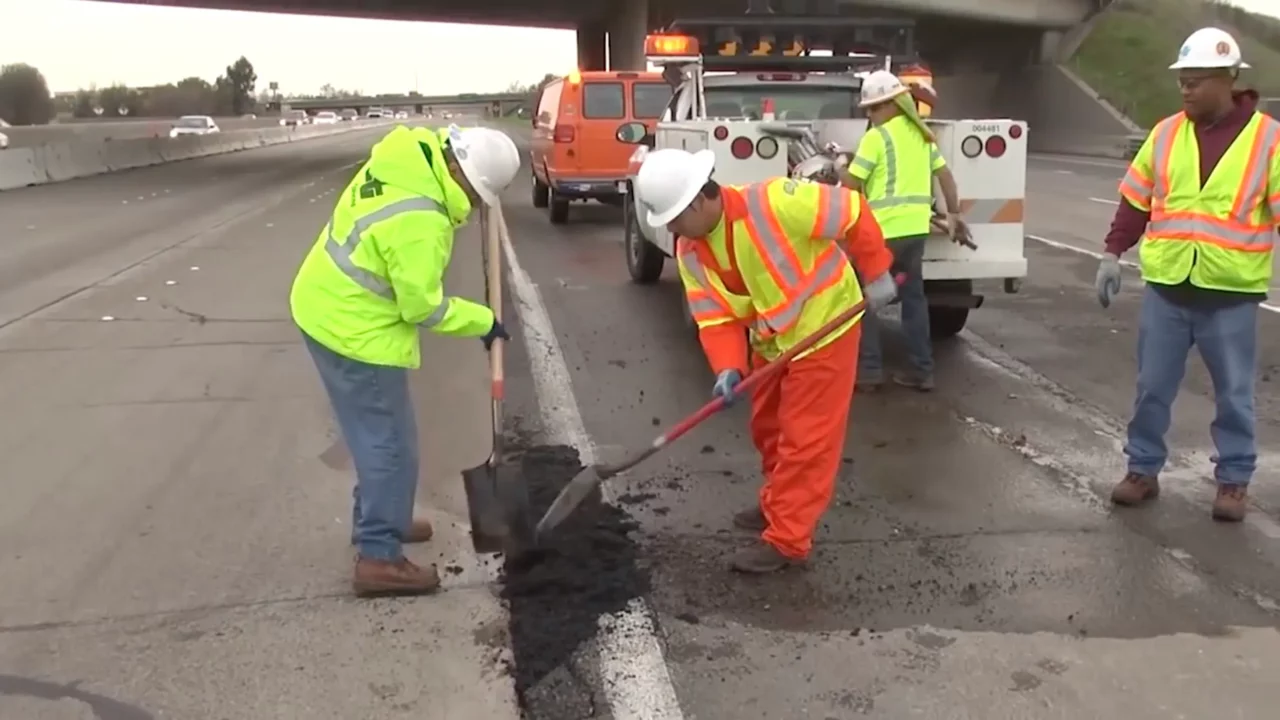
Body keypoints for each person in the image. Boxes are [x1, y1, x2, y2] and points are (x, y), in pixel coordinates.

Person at [634, 148, 898, 573]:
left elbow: (851, 210)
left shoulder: (776, 201)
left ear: (700, 199)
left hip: (825, 325)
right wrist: (727, 367)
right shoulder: (690, 252)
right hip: (773, 339)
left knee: (805, 440)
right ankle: (780, 502)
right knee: (768, 428)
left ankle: (787, 538)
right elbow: (715, 317)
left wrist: (876, 268)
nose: (672, 230)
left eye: (675, 218)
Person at [289, 124, 521, 596]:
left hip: (325, 304)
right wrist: (483, 322)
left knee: (376, 436)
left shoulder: (406, 158)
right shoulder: (422, 221)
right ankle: (378, 555)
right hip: (353, 329)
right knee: (391, 447)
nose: (475, 206)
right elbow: (422, 308)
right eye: (476, 195)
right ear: (458, 172)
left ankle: (380, 515)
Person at [1095, 27, 1279, 522]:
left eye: (1196, 81)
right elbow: (1136, 199)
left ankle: (1234, 481)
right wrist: (1113, 252)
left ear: (1229, 80)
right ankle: (1142, 470)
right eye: (1183, 81)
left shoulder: (1268, 139)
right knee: (1152, 387)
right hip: (1169, 289)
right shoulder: (1165, 133)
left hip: (1231, 294)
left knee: (1235, 394)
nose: (1186, 90)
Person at [842, 70, 962, 393]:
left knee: (865, 299)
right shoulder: (921, 135)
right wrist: (954, 214)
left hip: (881, 236)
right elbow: (946, 177)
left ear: (892, 104)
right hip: (914, 235)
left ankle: (869, 371)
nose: (870, 114)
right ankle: (923, 371)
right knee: (913, 300)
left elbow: (850, 187)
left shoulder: (875, 139)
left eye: (873, 108)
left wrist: (842, 169)